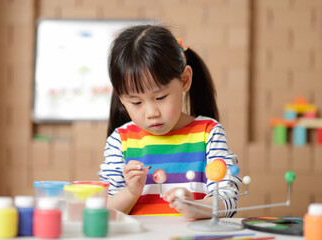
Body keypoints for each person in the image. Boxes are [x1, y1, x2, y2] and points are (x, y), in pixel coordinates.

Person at [98, 24, 241, 219]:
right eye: (136, 102)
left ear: (184, 80)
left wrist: (195, 207)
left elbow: (228, 201)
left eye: (160, 97)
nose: (151, 113)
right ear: (122, 99)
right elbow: (104, 212)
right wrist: (130, 193)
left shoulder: (209, 133)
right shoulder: (120, 141)